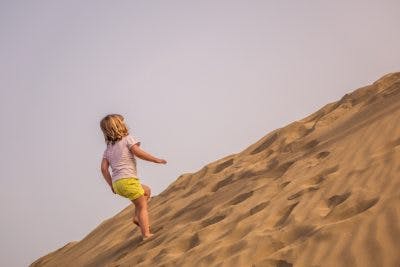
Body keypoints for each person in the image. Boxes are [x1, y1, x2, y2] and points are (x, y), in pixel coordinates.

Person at [100, 114, 167, 240]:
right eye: (122, 122)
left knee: (146, 191)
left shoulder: (108, 149)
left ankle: (137, 217)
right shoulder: (127, 139)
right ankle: (146, 234)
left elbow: (103, 169)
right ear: (120, 126)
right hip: (128, 180)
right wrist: (155, 160)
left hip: (117, 183)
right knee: (142, 206)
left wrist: (111, 185)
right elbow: (138, 153)